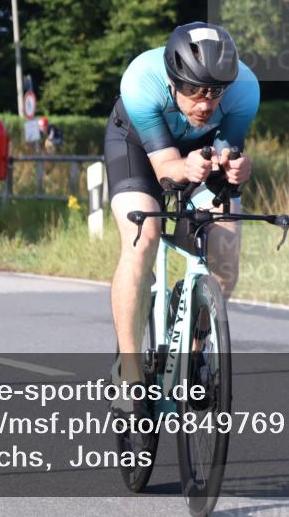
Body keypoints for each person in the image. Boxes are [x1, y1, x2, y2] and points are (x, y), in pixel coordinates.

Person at [103, 22, 259, 413]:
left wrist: (237, 166)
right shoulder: (141, 79)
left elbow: (228, 153)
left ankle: (195, 352)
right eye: (193, 91)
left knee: (226, 248)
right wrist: (185, 166)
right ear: (173, 80)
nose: (205, 104)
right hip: (138, 147)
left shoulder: (245, 89)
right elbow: (165, 171)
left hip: (199, 153)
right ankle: (130, 372)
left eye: (215, 92)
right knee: (143, 238)